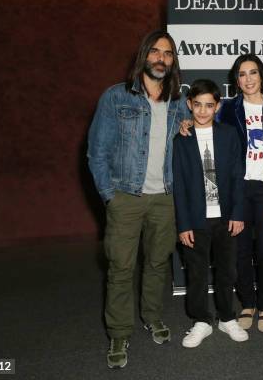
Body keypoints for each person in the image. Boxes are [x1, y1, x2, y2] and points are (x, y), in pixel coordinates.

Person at [87, 30, 189, 369]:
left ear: (173, 62)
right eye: (156, 51)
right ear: (144, 55)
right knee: (121, 267)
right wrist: (109, 197)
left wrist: (189, 124)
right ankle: (119, 331)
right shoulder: (116, 97)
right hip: (126, 197)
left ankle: (152, 316)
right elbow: (96, 152)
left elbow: (198, 126)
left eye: (169, 53)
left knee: (159, 263)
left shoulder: (178, 101)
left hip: (165, 198)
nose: (162, 58)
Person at [216, 54, 263, 333]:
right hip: (238, 191)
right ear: (236, 80)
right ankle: (247, 303)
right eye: (242, 74)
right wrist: (187, 124)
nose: (248, 79)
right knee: (239, 252)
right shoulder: (227, 110)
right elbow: (211, 139)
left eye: (253, 73)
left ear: (262, 76)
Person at [172, 79, 249, 348]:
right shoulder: (181, 140)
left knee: (227, 271)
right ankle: (201, 320)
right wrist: (183, 224)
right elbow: (179, 185)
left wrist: (238, 212)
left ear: (217, 106)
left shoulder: (228, 135)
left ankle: (227, 317)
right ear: (189, 105)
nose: (203, 111)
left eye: (209, 105)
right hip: (196, 218)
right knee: (196, 273)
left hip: (226, 217)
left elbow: (239, 176)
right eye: (197, 105)